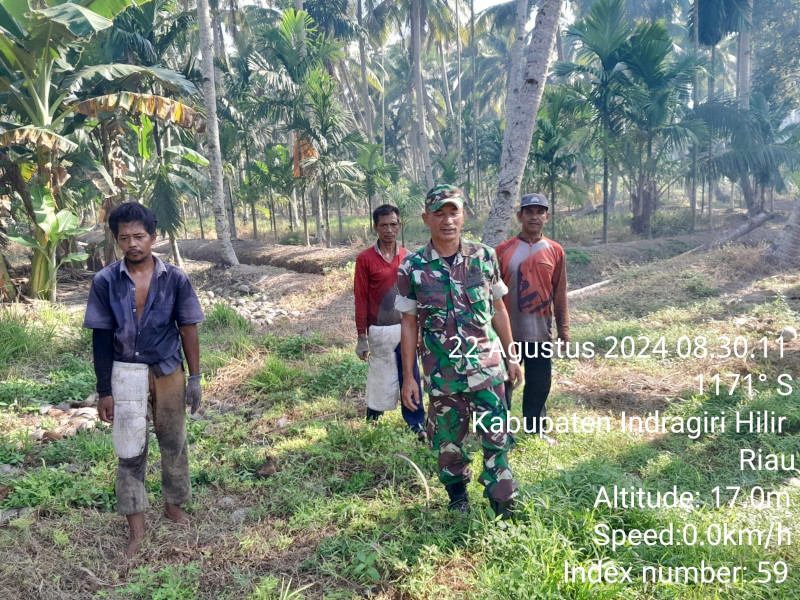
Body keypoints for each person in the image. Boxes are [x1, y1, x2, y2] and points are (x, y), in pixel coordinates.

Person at [83, 203, 204, 560]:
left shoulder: (175, 278)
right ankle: (136, 526)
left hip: (168, 370)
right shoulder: (105, 281)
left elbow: (188, 328)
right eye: (124, 237)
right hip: (126, 374)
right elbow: (101, 338)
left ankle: (174, 504)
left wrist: (194, 377)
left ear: (153, 236)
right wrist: (104, 390)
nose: (132, 243)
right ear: (117, 239)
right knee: (130, 449)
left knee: (174, 441)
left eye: (139, 236)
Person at [395, 185, 522, 518]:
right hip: (442, 374)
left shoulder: (484, 256)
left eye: (453, 212)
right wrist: (408, 377)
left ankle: (502, 502)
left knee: (496, 437)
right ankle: (457, 497)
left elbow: (498, 309)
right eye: (439, 213)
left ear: (463, 215)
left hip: (487, 368)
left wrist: (512, 355)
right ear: (426, 219)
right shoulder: (412, 267)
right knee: (448, 442)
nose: (447, 220)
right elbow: (409, 324)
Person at [496, 193, 570, 444]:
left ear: (547, 217)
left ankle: (535, 430)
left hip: (540, 333)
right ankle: (502, 433)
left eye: (540, 211)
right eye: (529, 211)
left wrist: (564, 331)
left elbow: (560, 294)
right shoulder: (503, 250)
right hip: (507, 334)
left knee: (539, 385)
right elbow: (492, 296)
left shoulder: (555, 251)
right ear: (520, 216)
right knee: (504, 384)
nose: (534, 216)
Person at [354, 205, 426, 440]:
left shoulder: (409, 257)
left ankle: (416, 426)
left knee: (410, 375)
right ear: (375, 227)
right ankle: (372, 422)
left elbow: (418, 298)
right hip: (380, 330)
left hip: (406, 328)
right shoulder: (365, 259)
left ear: (400, 226)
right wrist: (361, 337)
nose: (389, 229)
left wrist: (420, 332)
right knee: (380, 377)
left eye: (393, 224)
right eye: (383, 225)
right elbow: (361, 298)